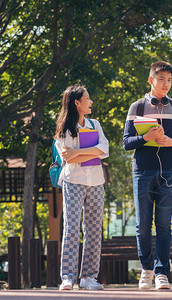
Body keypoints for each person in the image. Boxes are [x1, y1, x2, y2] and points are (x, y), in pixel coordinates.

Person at [123, 61, 172, 290]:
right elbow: (126, 143)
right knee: (142, 224)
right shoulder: (137, 107)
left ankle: (162, 273)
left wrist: (171, 142)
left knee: (164, 224)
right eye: (162, 80)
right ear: (151, 80)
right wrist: (145, 139)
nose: (166, 84)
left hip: (170, 172)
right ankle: (147, 270)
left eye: (169, 80)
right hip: (142, 171)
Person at [54, 84, 109, 291]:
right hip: (73, 181)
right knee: (71, 229)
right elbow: (66, 157)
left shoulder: (95, 124)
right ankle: (67, 277)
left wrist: (79, 153)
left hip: (96, 182)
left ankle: (88, 277)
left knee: (94, 230)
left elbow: (104, 150)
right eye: (87, 98)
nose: (91, 102)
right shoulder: (64, 129)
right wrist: (90, 152)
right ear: (77, 102)